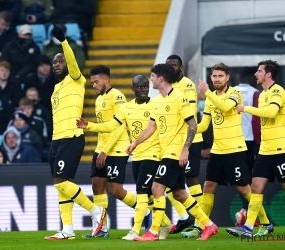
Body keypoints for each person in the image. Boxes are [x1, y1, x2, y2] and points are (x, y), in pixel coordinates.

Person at [126, 63, 218, 241]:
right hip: (165, 151)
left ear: (161, 79)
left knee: (157, 187)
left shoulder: (179, 98)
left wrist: (185, 149)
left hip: (175, 152)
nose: (150, 79)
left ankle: (153, 231)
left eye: (152, 76)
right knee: (179, 193)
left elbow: (192, 125)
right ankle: (209, 225)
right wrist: (135, 142)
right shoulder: (158, 101)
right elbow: (151, 126)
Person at [77, 74, 174, 240]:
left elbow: (166, 126)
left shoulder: (157, 104)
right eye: (139, 87)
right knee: (148, 194)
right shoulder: (127, 108)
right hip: (136, 156)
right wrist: (90, 126)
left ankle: (137, 230)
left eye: (145, 86)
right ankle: (165, 224)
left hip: (154, 154)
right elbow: (112, 125)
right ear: (133, 89)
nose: (143, 90)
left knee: (143, 193)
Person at [44, 23, 106, 240]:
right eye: (54, 62)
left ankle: (96, 211)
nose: (57, 64)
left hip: (72, 137)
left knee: (60, 182)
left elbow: (71, 61)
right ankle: (67, 229)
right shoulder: (55, 89)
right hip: (56, 140)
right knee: (62, 186)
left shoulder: (76, 80)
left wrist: (64, 41)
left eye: (60, 61)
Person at [197, 62, 272, 237]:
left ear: (227, 77)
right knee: (208, 186)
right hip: (217, 151)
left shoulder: (235, 93)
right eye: (214, 76)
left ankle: (266, 222)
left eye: (220, 76)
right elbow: (204, 125)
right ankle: (202, 226)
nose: (217, 79)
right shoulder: (210, 98)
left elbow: (224, 107)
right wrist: (187, 128)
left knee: (244, 189)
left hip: (235, 149)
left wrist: (206, 91)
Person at [79, 65, 140, 238]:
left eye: (96, 82)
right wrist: (101, 149)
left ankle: (147, 211)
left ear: (106, 80)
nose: (94, 85)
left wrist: (105, 151)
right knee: (97, 185)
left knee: (115, 190)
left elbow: (119, 127)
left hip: (116, 150)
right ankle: (101, 228)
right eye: (92, 82)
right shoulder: (99, 99)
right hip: (102, 149)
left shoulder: (118, 96)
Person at [226, 60, 283, 237]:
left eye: (259, 71)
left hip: (280, 149)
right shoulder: (264, 94)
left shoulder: (278, 92)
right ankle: (249, 227)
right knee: (256, 188)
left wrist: (246, 108)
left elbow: (271, 113)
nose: (256, 74)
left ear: (268, 75)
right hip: (265, 150)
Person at [166, 55, 202, 236]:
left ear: (181, 68)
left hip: (190, 139)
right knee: (168, 182)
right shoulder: (168, 86)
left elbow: (190, 115)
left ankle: (199, 221)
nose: (170, 68)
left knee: (191, 179)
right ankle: (184, 217)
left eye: (174, 65)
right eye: (168, 65)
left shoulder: (187, 85)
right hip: (173, 141)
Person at [235, 66, 261, 227]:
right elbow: (256, 119)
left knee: (240, 178)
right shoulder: (255, 93)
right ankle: (247, 212)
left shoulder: (232, 91)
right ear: (251, 78)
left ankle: (247, 213)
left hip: (235, 140)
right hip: (251, 139)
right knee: (250, 178)